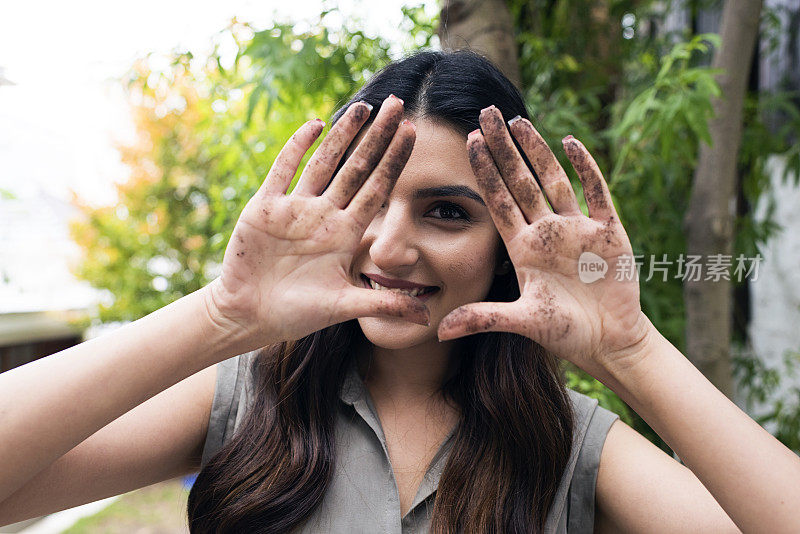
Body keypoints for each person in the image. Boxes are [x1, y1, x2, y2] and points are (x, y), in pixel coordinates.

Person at [0, 50, 797, 533]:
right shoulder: (244, 397)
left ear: (506, 251)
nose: (388, 245)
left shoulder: (570, 446)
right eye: (370, 201)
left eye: (447, 212)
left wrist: (631, 349)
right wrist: (222, 314)